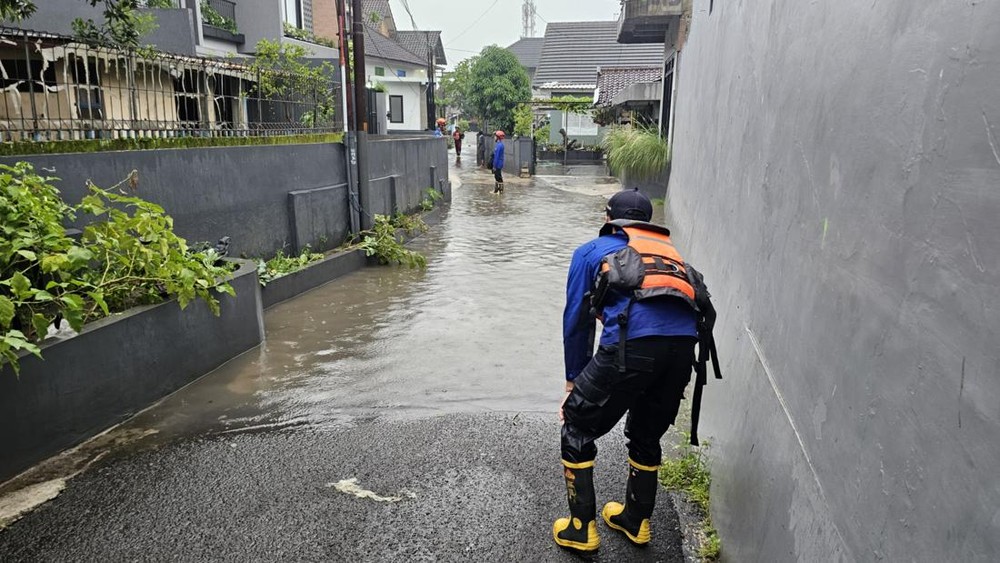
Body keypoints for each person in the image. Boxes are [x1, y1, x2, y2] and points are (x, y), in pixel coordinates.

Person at [553, 188, 700, 553]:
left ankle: (580, 528)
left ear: (608, 218)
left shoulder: (591, 251)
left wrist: (575, 382)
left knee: (577, 425)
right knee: (646, 433)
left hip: (632, 346)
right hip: (683, 351)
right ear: (646, 223)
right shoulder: (671, 255)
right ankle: (635, 520)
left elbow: (578, 321)